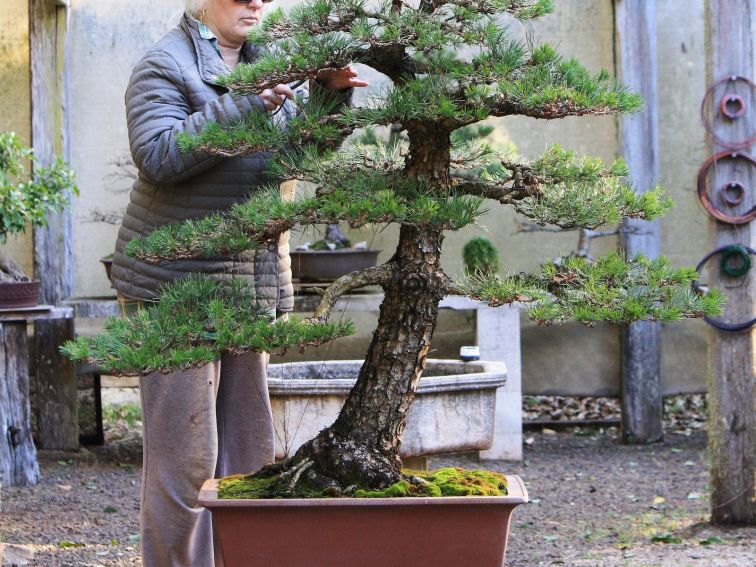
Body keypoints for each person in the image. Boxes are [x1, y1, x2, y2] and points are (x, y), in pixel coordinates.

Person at [109, 1, 368, 565]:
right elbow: (157, 155)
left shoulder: (270, 60)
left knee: (250, 456)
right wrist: (247, 103)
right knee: (186, 462)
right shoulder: (164, 64)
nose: (256, 0)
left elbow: (295, 160)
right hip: (174, 288)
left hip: (250, 284)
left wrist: (328, 98)